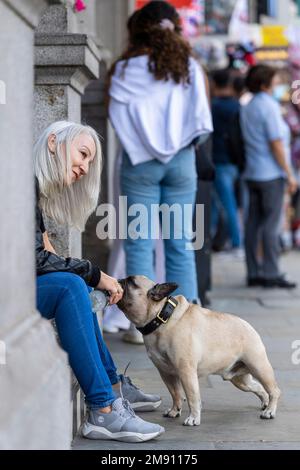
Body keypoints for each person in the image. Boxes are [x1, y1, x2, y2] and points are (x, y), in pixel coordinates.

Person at [34, 120, 164, 442]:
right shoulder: (16, 180)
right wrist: (94, 273)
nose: (84, 166)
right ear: (53, 143)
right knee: (71, 286)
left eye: (89, 160)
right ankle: (104, 410)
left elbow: (41, 254)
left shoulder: (30, 187)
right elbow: (33, 260)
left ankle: (113, 388)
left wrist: (87, 276)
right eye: (82, 154)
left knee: (75, 284)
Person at [107, 1, 212, 343]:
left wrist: (144, 148)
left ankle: (142, 325)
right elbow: (201, 119)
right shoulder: (189, 67)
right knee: (180, 241)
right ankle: (190, 319)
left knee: (139, 240)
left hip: (139, 163)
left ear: (138, 30)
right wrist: (179, 147)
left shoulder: (124, 69)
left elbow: (118, 117)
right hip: (181, 160)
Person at [240, 65, 298, 288]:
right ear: (265, 84)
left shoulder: (248, 105)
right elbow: (276, 143)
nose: (277, 86)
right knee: (271, 225)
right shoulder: (269, 106)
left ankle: (254, 271)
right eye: (274, 82)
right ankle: (271, 273)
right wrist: (289, 174)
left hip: (252, 172)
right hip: (271, 173)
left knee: (253, 224)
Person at [210, 68, 242, 255]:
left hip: (219, 161)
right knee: (226, 203)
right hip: (233, 161)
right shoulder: (237, 106)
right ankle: (225, 240)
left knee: (223, 203)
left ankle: (236, 243)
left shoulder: (214, 107)